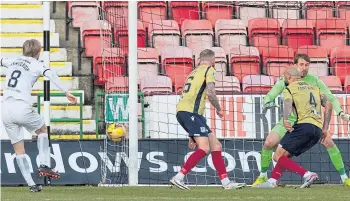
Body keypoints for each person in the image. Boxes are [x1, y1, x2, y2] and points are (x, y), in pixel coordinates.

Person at [252, 54, 350, 187]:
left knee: (328, 142)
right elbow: (271, 94)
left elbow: (330, 98)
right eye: (301, 65)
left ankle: (344, 178)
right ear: (295, 66)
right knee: (269, 143)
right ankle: (263, 176)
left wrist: (341, 112)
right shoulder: (287, 79)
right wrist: (267, 102)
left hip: (306, 121)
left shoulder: (314, 81)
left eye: (307, 65)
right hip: (293, 121)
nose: (304, 68)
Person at [0, 39, 77, 192]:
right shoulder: (36, 64)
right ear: (37, 52)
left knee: (18, 149)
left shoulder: (13, 61)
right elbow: (51, 75)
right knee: (42, 130)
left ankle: (32, 185)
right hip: (21, 106)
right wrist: (66, 92)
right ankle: (44, 164)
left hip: (5, 109)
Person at [170, 49, 246, 190]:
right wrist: (219, 109)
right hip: (191, 113)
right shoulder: (209, 70)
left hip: (186, 112)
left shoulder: (194, 72)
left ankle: (226, 183)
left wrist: (192, 133)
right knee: (204, 148)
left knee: (216, 145)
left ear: (199, 60)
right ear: (213, 61)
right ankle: (178, 177)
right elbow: (211, 93)